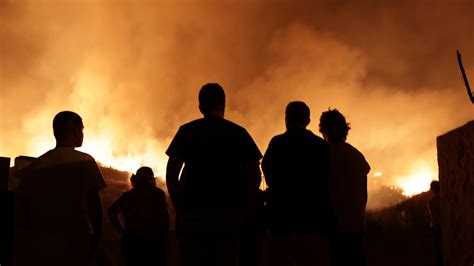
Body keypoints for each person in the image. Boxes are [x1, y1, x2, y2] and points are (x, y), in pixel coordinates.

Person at [166, 83, 262, 266]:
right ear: (224, 104)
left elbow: (171, 173)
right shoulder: (239, 133)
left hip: (194, 214)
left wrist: (180, 206)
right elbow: (254, 174)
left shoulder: (187, 131)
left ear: (200, 107)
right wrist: (244, 207)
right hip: (228, 214)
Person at [13, 111, 106, 266]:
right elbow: (94, 203)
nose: (82, 134)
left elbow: (23, 208)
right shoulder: (84, 161)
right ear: (75, 131)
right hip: (75, 241)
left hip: (41, 245)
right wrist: (97, 235)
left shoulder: (36, 166)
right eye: (81, 130)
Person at [262, 101, 333, 266]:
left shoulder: (277, 143)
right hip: (314, 220)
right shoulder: (321, 146)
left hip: (281, 220)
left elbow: (268, 172)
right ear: (308, 121)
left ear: (286, 119)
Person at [319, 109, 370, 266]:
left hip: (330, 228)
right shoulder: (357, 156)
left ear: (323, 130)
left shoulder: (321, 154)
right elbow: (363, 193)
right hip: (355, 226)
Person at [107, 166, 170, 266]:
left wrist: (121, 231)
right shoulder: (158, 194)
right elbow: (165, 219)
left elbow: (111, 211)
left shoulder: (128, 196)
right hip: (154, 243)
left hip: (133, 242)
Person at [428, 180, 443, 266]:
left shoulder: (431, 202)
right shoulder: (445, 198)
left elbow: (434, 217)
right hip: (441, 227)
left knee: (438, 249)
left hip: (437, 228)